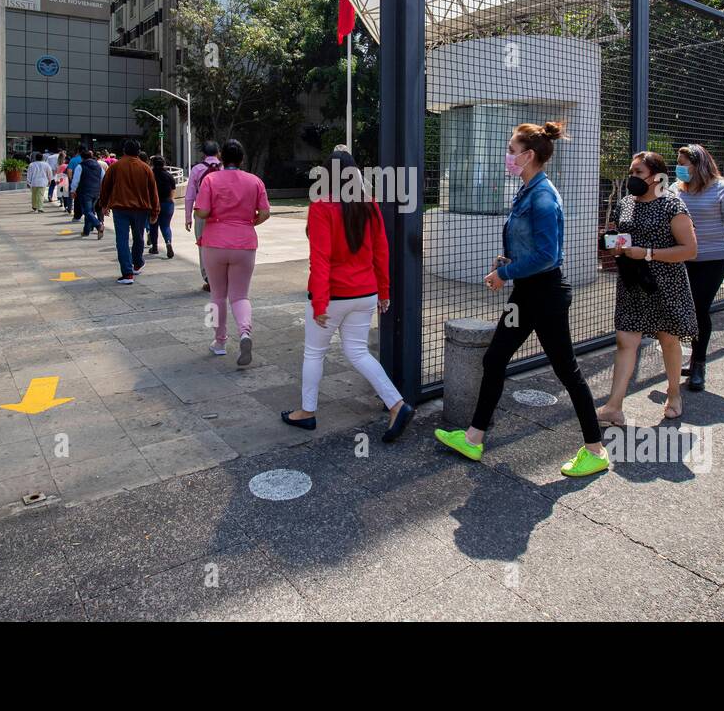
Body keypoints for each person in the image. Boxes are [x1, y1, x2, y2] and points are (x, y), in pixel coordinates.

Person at [434, 123, 608, 473]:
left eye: (512, 150)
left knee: (567, 370)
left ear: (528, 156)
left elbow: (547, 255)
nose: (507, 156)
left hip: (544, 296)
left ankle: (596, 451)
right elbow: (531, 247)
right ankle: (472, 439)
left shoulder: (542, 196)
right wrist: (510, 263)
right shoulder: (528, 189)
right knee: (495, 358)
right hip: (527, 294)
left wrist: (504, 273)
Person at [282, 149, 414, 441]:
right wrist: (384, 290)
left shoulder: (321, 206)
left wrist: (318, 302)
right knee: (358, 352)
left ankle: (307, 412)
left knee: (314, 353)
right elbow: (382, 250)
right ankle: (397, 404)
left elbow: (320, 259)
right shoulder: (368, 205)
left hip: (333, 295)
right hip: (365, 292)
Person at [593, 151, 699, 425]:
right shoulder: (626, 203)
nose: (632, 178)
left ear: (656, 176)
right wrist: (615, 246)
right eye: (631, 172)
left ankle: (674, 392)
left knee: (668, 339)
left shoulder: (672, 206)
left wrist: (648, 253)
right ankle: (614, 406)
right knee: (625, 341)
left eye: (638, 173)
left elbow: (689, 249)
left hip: (665, 283)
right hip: (632, 282)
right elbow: (619, 234)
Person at [672, 143, 724, 391]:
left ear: (698, 165)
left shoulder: (723, 190)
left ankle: (699, 364)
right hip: (680, 258)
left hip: (711, 259)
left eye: (683, 163)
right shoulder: (676, 188)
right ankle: (681, 359)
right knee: (679, 309)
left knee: (699, 308)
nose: (679, 167)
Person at [194, 139, 270, 366]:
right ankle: (245, 333)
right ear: (242, 158)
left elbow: (203, 211)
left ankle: (219, 342)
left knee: (217, 295)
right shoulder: (254, 181)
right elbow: (265, 213)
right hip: (244, 242)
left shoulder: (210, 179)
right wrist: (247, 223)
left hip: (214, 242)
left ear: (221, 157)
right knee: (240, 295)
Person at [98, 139, 160, 284]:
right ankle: (137, 263)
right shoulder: (145, 168)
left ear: (124, 150)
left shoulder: (115, 167)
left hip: (120, 209)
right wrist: (155, 212)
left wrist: (104, 204)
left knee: (122, 240)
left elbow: (105, 187)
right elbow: (153, 192)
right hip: (141, 209)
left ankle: (127, 274)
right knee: (138, 237)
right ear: (138, 152)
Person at [185, 140, 222, 291]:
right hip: (220, 213)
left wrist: (188, 217)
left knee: (203, 245)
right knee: (220, 244)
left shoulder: (197, 169)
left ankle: (209, 278)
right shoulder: (224, 168)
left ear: (204, 154)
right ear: (218, 152)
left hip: (201, 212)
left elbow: (189, 196)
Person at [70, 147, 105, 239]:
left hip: (85, 192)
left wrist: (73, 190)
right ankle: (86, 231)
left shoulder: (80, 166)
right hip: (96, 192)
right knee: (90, 210)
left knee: (87, 211)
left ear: (82, 158)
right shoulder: (99, 166)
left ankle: (98, 225)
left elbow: (76, 180)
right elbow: (103, 179)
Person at [147, 154, 177, 258]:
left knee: (153, 225)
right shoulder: (168, 175)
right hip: (167, 203)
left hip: (153, 203)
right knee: (166, 225)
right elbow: (173, 189)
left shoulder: (150, 174)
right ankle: (168, 242)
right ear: (163, 163)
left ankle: (155, 247)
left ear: (152, 164)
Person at [67, 148, 84, 222]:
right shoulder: (88, 160)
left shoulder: (73, 160)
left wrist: (71, 180)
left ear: (77, 151)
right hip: (86, 183)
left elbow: (69, 171)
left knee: (76, 199)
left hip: (76, 182)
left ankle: (75, 214)